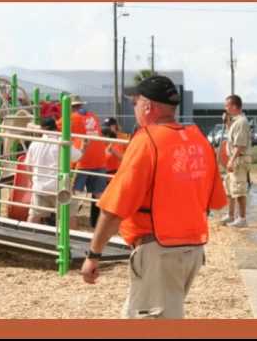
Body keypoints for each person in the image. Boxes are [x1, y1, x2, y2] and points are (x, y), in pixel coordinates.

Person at [80, 75, 228, 319]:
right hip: (191, 249)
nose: (134, 108)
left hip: (158, 250)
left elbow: (114, 208)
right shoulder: (198, 139)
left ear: (148, 106)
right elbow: (216, 201)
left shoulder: (147, 141)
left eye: (135, 103)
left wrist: (94, 255)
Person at [25, 117, 86, 228]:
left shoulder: (35, 143)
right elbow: (77, 157)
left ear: (42, 128)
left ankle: (28, 237)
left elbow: (28, 166)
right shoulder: (62, 141)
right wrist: (84, 147)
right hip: (59, 186)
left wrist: (32, 182)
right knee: (70, 216)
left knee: (34, 216)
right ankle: (70, 239)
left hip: (40, 186)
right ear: (55, 127)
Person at [58, 95, 108, 228]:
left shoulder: (70, 118)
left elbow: (52, 129)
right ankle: (102, 223)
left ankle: (69, 219)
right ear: (81, 105)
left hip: (83, 159)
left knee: (73, 191)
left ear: (69, 107)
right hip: (100, 159)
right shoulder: (93, 116)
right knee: (98, 194)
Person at [220, 94, 252, 228]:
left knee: (239, 189)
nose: (225, 108)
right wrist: (227, 122)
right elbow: (231, 137)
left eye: (227, 106)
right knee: (229, 188)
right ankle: (231, 214)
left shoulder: (241, 122)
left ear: (234, 106)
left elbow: (240, 145)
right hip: (234, 158)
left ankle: (242, 218)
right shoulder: (235, 121)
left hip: (238, 159)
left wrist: (231, 161)